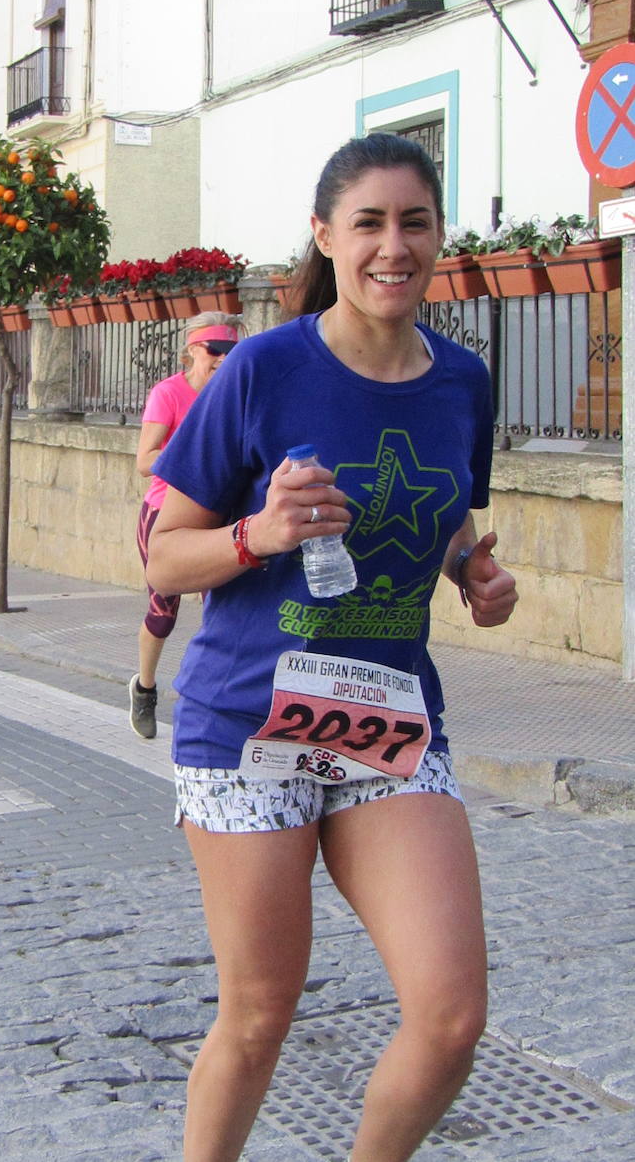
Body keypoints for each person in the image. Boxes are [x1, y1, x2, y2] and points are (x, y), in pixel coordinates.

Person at [146, 132, 519, 1162]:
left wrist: (469, 575)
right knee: (259, 1016)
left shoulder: (461, 382)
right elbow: (162, 554)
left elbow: (436, 513)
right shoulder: (265, 368)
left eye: (412, 222)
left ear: (437, 237)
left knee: (449, 1017)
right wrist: (257, 534)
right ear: (325, 236)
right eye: (367, 224)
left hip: (385, 720)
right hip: (247, 726)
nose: (390, 246)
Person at [129, 313, 242, 740]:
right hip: (166, 513)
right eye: (214, 351)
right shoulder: (169, 393)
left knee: (225, 603)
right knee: (164, 611)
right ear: (192, 350)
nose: (221, 361)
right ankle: (144, 687)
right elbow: (145, 461)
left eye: (229, 352)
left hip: (220, 512)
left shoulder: (232, 392)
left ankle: (214, 697)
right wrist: (194, 453)